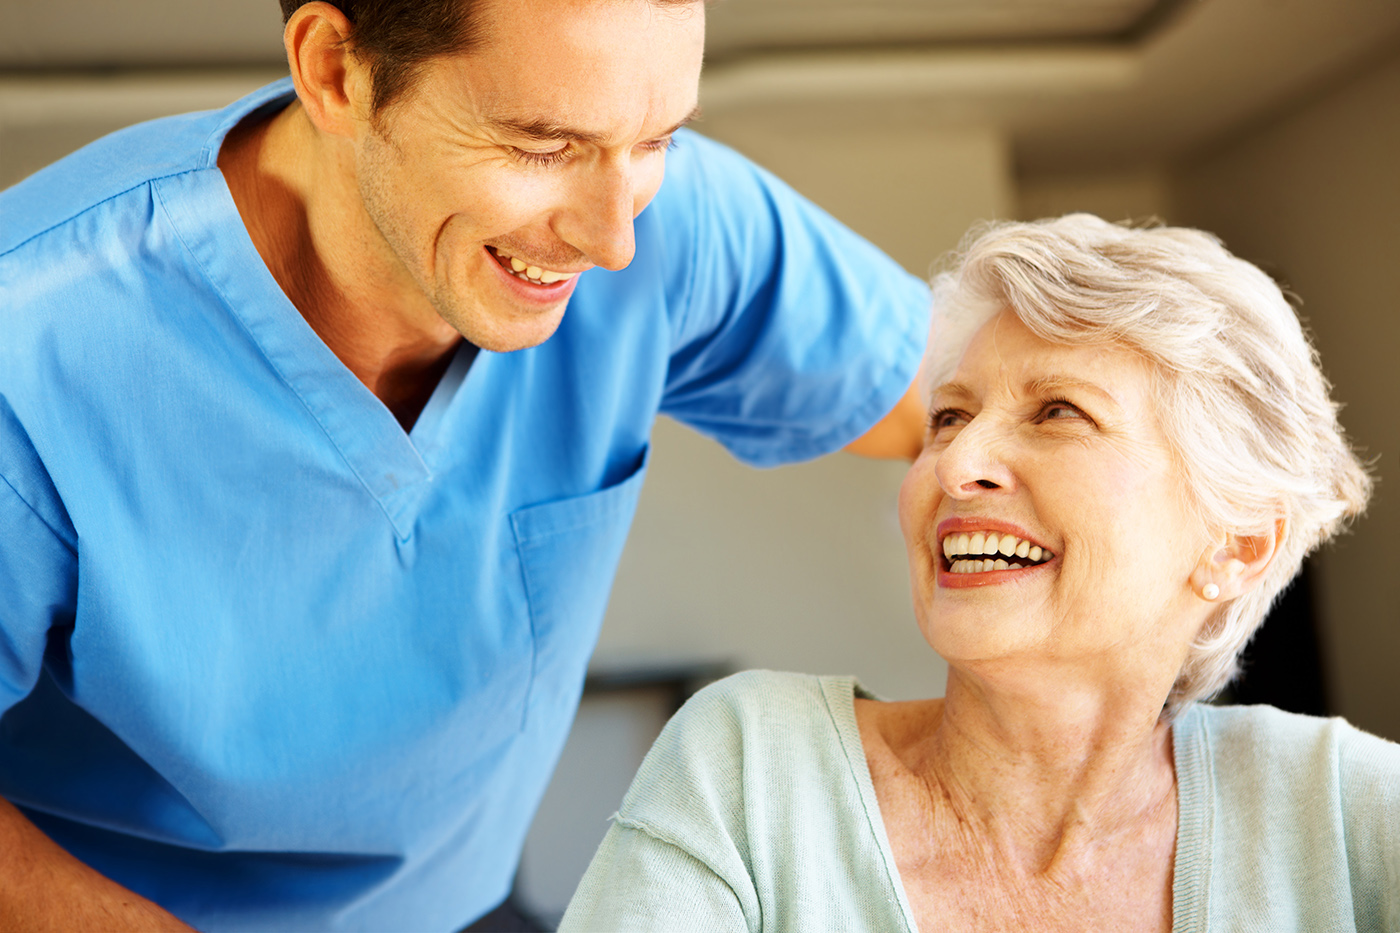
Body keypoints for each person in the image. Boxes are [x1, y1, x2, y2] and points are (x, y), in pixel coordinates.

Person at [0, 0, 931, 929]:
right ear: (335, 70)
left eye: (659, 139)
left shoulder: (663, 227)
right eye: (540, 147)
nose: (614, 240)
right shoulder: (36, 346)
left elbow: (973, 394)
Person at [559, 214, 1398, 932]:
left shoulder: (1342, 805)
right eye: (950, 415)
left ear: (1238, 542)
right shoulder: (750, 769)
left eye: (1058, 412)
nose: (955, 463)